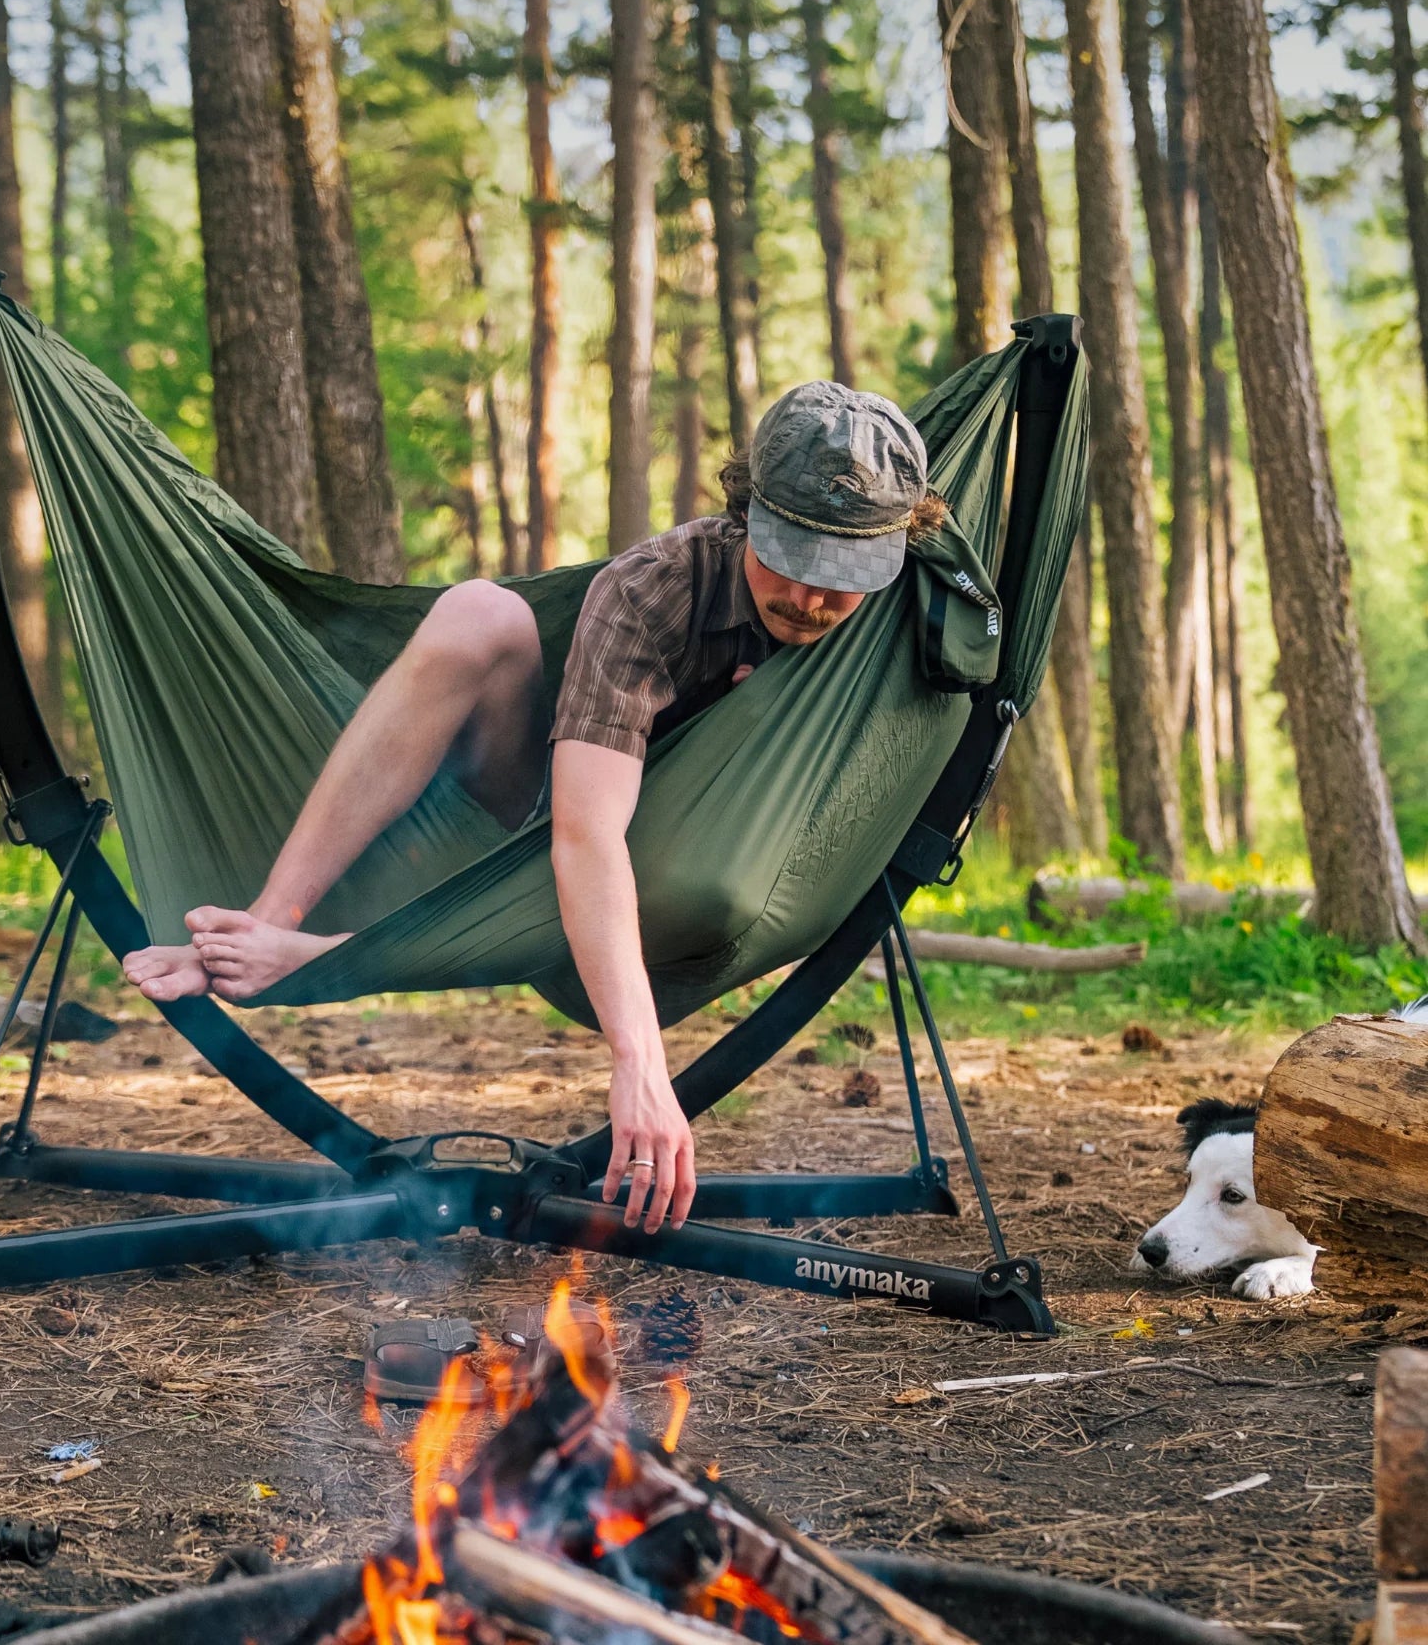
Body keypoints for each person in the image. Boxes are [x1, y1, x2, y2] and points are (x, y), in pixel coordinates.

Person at [124, 382, 940, 1238]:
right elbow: (586, 834)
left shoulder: (903, 603)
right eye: (789, 556)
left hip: (739, 874)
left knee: (700, 876)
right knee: (475, 612)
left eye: (840, 575)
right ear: (747, 509)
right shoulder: (654, 590)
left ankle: (323, 951)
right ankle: (270, 922)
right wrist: (639, 1062)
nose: (810, 597)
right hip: (572, 856)